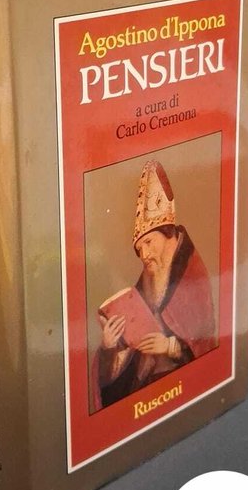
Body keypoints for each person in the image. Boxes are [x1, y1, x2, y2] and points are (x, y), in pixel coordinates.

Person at [92, 159, 216, 410]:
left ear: (168, 234)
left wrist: (169, 346)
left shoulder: (193, 277)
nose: (144, 255)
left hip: (180, 389)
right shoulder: (148, 282)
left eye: (148, 243)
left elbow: (205, 343)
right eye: (139, 250)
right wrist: (109, 346)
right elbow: (120, 368)